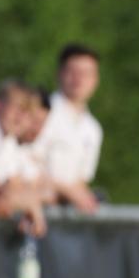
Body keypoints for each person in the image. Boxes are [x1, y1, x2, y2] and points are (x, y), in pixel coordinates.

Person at [37, 43, 102, 213]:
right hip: (33, 209)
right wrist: (67, 191)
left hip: (66, 216)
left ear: (95, 80)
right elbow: (25, 166)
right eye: (73, 72)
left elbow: (81, 180)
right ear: (59, 74)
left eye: (86, 74)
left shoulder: (93, 129)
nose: (79, 80)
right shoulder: (40, 113)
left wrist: (83, 198)